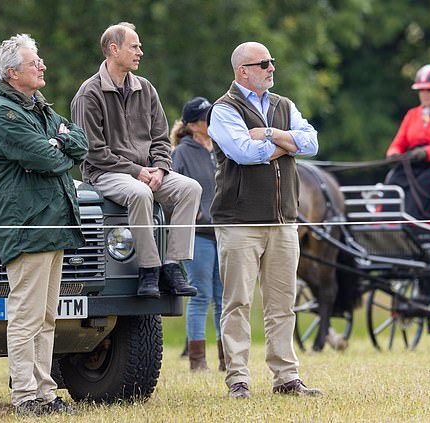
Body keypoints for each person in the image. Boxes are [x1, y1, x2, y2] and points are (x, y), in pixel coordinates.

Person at [207, 41, 321, 398]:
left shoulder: (283, 105)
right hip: (239, 220)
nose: (272, 68)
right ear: (243, 71)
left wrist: (270, 134)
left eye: (272, 62)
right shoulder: (223, 110)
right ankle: (238, 379)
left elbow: (313, 143)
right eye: (264, 64)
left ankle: (286, 378)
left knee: (282, 303)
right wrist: (290, 144)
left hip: (284, 219)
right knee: (238, 302)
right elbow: (243, 153)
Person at [0, 33, 87, 416]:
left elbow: (81, 141)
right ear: (12, 73)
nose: (41, 66)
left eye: (39, 60)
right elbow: (48, 157)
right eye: (33, 62)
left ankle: (45, 392)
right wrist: (57, 146)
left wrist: (59, 142)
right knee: (26, 316)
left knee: (46, 316)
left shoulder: (40, 109)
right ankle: (24, 395)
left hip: (53, 224)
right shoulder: (4, 115)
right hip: (27, 227)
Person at [71, 22, 201, 298]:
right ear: (113, 49)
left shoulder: (146, 88)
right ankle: (149, 269)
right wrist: (137, 171)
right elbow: (92, 151)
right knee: (141, 193)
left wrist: (162, 169)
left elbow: (161, 139)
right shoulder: (88, 94)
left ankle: (172, 265)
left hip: (147, 171)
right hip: (104, 173)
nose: (141, 51)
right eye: (135, 46)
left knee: (191, 188)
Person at [170, 97, 224, 372]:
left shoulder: (218, 147)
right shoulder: (181, 152)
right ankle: (198, 360)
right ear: (192, 124)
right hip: (199, 233)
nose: (210, 121)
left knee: (224, 296)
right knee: (201, 295)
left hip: (222, 231)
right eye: (205, 117)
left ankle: (227, 358)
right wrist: (194, 214)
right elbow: (173, 189)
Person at [385, 64, 430, 220]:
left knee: (423, 184)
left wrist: (427, 153)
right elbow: (398, 143)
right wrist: (393, 154)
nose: (424, 94)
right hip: (414, 162)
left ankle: (414, 224)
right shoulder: (412, 114)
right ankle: (385, 223)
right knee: (394, 180)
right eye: (421, 90)